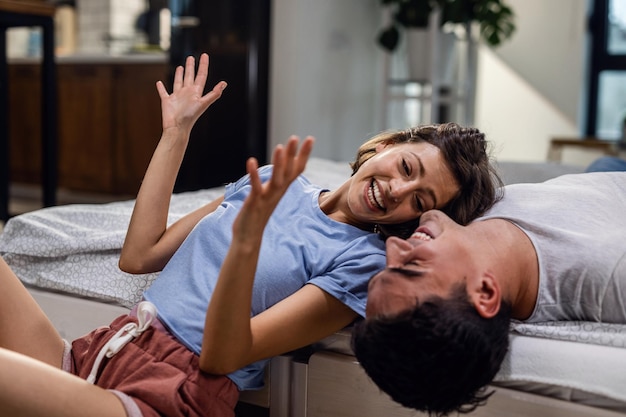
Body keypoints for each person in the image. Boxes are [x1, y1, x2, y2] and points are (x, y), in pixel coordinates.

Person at [0, 53, 500, 417]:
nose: (398, 191)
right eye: (407, 167)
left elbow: (228, 355)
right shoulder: (275, 183)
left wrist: (249, 238)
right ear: (386, 145)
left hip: (171, 395)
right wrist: (176, 134)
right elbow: (139, 255)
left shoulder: (364, 261)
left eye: (420, 201)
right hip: (107, 349)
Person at [352, 170, 626, 417]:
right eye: (412, 266)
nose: (393, 247)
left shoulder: (453, 217)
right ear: (484, 292)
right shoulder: (610, 275)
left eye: (385, 269)